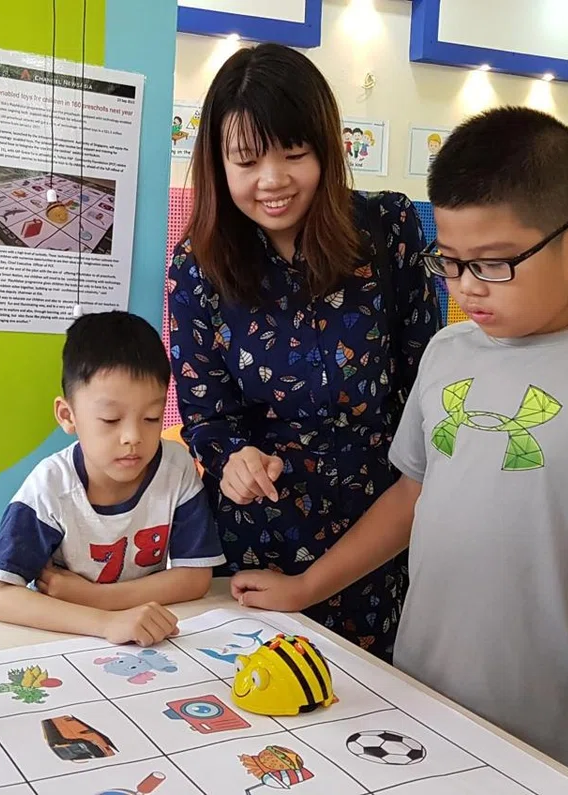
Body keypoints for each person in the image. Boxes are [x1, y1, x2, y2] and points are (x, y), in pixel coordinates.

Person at [229, 106, 568, 794]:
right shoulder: (449, 349)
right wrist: (307, 587)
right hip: (418, 705)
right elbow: (412, 495)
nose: (466, 287)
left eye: (493, 263)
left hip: (555, 735)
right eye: (451, 262)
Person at [169, 43, 440, 661]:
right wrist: (233, 459)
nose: (272, 181)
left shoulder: (387, 230)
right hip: (260, 541)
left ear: (326, 147)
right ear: (217, 162)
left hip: (377, 533)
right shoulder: (198, 265)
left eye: (294, 153)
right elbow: (207, 414)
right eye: (246, 160)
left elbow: (426, 388)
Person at [0, 312, 224, 645]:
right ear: (68, 416)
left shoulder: (175, 467)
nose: (133, 437)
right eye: (110, 419)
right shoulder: (51, 486)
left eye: (151, 417)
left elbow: (195, 578)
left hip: (142, 636)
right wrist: (106, 622)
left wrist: (97, 598)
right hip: (69, 638)